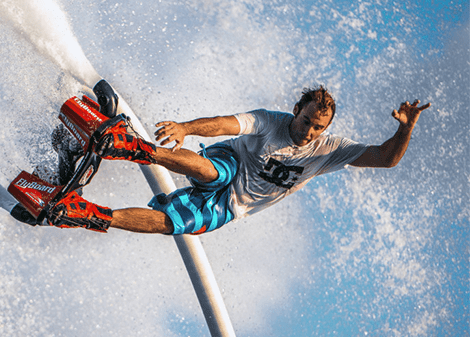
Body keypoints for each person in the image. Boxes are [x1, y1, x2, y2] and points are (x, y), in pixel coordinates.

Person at [47, 86, 430, 235]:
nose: (309, 132)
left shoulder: (328, 149)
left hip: (235, 206)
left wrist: (406, 128)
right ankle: (127, 147)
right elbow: (226, 124)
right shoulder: (271, 121)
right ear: (296, 110)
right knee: (213, 170)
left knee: (174, 224)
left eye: (317, 128)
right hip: (231, 162)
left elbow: (386, 158)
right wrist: (186, 127)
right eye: (306, 121)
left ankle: (84, 213)